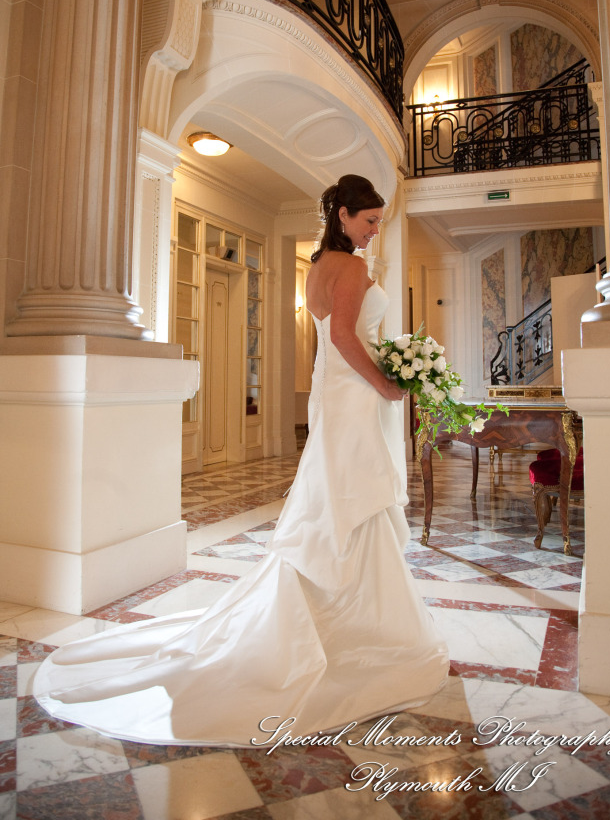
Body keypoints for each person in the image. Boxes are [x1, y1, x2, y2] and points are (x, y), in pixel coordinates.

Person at [33, 174, 449, 746]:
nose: (376, 232)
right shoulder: (351, 267)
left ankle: (348, 613)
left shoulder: (317, 265)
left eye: (378, 222)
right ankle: (360, 629)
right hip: (353, 391)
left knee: (341, 493)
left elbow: (329, 340)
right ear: (346, 215)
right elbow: (350, 339)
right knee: (352, 493)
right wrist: (386, 384)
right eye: (371, 221)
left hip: (334, 391)